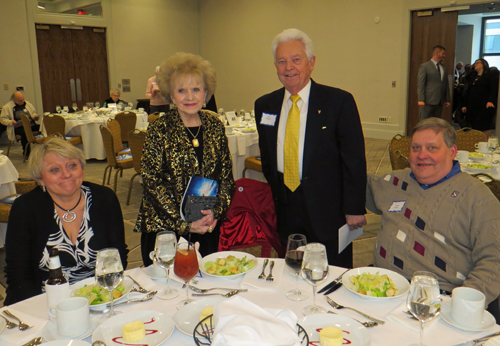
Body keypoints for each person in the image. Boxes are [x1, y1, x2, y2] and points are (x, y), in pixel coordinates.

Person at [255, 28, 367, 268]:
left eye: (296, 60)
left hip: (328, 209)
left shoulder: (338, 102)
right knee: (292, 270)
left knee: (332, 273)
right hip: (286, 206)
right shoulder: (264, 105)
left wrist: (354, 207)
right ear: (275, 66)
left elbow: (354, 160)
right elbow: (267, 157)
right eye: (282, 61)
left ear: (311, 63)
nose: (289, 68)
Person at [365, 118, 500, 314]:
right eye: (416, 147)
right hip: (383, 293)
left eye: (432, 148)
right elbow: (354, 184)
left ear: (452, 152)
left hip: (442, 301)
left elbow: (494, 259)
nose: (422, 155)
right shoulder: (394, 181)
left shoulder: (477, 197)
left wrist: (463, 305)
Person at [134, 52, 235, 266]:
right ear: (171, 95)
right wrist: (184, 223)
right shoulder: (159, 128)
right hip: (166, 229)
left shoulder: (215, 125)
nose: (190, 97)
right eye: (181, 90)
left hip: (206, 225)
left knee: (204, 283)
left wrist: (215, 213)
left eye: (196, 89)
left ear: (206, 92)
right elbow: (152, 182)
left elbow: (226, 178)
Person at [4, 137, 128, 305]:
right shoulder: (26, 208)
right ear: (40, 179)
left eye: (72, 165)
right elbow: (18, 274)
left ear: (81, 168)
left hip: (100, 296)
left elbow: (118, 255)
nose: (66, 174)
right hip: (45, 300)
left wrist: (101, 299)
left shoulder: (104, 198)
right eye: (54, 170)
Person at [462, 59, 499, 138]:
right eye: (475, 63)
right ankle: (477, 143)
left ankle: (485, 144)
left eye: (477, 63)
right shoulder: (473, 77)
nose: (475, 64)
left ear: (484, 64)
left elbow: (494, 89)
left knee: (484, 126)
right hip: (473, 105)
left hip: (485, 105)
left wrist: (491, 101)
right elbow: (468, 91)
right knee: (474, 126)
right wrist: (464, 105)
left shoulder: (490, 76)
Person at [0, 91, 41, 156]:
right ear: (14, 100)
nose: (22, 102)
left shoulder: (27, 104)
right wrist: (11, 122)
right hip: (18, 127)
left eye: (23, 99)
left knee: (42, 128)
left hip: (30, 124)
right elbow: (2, 120)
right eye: (20, 100)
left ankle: (42, 148)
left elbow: (33, 113)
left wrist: (35, 116)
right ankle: (27, 152)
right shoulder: (7, 107)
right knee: (25, 132)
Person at [417, 45, 451, 120]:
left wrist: (447, 99)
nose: (444, 56)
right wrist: (421, 99)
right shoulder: (425, 66)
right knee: (424, 122)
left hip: (440, 101)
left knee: (436, 123)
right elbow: (420, 84)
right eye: (443, 53)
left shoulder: (444, 67)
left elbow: (446, 84)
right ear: (437, 53)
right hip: (427, 100)